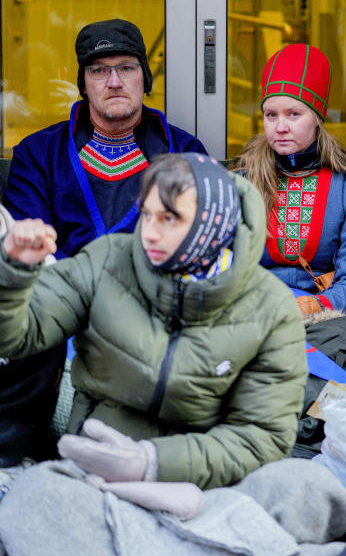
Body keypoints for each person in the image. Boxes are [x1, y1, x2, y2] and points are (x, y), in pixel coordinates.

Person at [0, 153, 307, 498]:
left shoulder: (271, 307)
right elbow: (15, 339)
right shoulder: (106, 261)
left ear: (213, 223)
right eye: (146, 215)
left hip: (206, 487)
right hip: (94, 468)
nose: (149, 234)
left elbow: (261, 437)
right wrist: (13, 271)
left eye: (170, 218)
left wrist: (153, 462)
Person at [1, 18, 206, 469]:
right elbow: (33, 250)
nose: (114, 81)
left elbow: (198, 248)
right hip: (64, 303)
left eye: (127, 68)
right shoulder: (39, 153)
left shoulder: (186, 153)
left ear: (144, 79)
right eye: (98, 70)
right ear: (84, 84)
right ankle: (7, 459)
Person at [232, 43, 346, 317]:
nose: (280, 127)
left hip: (323, 320)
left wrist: (310, 308)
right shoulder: (238, 186)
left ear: (317, 118)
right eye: (271, 115)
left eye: (294, 114)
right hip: (248, 314)